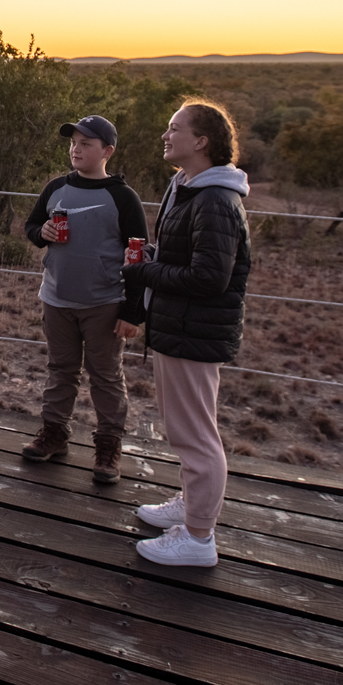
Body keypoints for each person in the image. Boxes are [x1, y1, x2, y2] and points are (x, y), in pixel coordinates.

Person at [119, 98, 251, 567]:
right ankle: (192, 504)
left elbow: (208, 279)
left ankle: (198, 539)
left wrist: (147, 271)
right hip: (180, 326)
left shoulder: (215, 200)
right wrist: (153, 257)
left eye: (175, 128)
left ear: (201, 142)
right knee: (186, 429)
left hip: (194, 330)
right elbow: (187, 260)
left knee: (196, 435)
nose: (164, 135)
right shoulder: (191, 188)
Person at [21, 114, 149, 484]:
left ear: (107, 151)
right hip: (57, 298)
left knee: (106, 376)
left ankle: (108, 446)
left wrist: (132, 312)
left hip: (104, 303)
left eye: (86, 144)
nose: (76, 149)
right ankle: (54, 434)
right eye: (73, 142)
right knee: (61, 370)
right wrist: (40, 232)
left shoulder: (123, 197)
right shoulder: (56, 188)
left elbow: (138, 256)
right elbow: (32, 227)